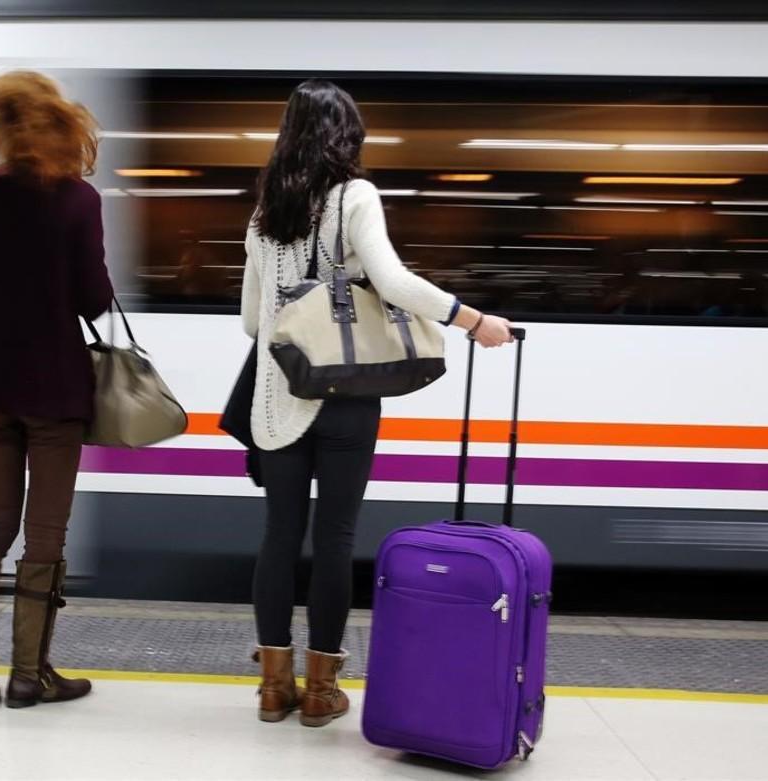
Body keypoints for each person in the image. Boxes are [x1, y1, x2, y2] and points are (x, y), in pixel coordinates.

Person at [240, 79, 513, 727]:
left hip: (278, 396)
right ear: (346, 135)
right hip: (345, 395)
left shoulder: (262, 212)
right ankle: (321, 691)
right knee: (334, 538)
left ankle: (272, 689)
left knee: (279, 536)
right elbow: (392, 280)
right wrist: (471, 320)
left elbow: (253, 322)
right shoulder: (355, 196)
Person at [0, 71, 114, 711]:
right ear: (61, 124)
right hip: (55, 391)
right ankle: (27, 675)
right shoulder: (76, 200)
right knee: (44, 537)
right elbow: (95, 298)